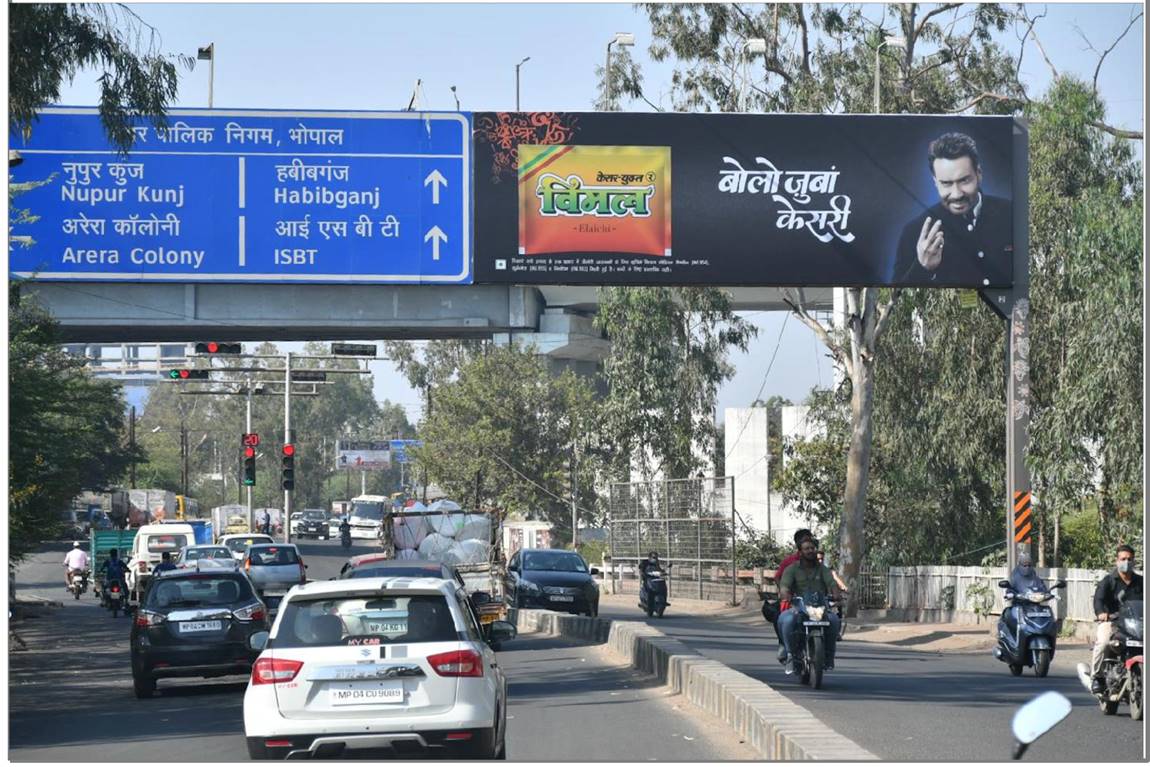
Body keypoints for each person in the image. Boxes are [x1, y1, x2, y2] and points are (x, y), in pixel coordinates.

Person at [893, 132, 1013, 286]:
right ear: (935, 182)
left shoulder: (1012, 214)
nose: (956, 194)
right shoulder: (913, 232)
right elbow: (895, 300)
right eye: (946, 183)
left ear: (979, 174)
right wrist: (922, 268)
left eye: (964, 180)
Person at [777, 538, 843, 674]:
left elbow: (832, 584)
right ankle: (790, 655)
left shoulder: (823, 569)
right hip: (798, 607)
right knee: (787, 620)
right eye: (806, 549)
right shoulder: (792, 569)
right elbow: (784, 585)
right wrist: (786, 594)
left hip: (820, 607)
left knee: (834, 620)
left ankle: (829, 657)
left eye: (812, 548)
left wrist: (836, 593)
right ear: (800, 552)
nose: (810, 551)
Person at [1088, 544, 1144, 694]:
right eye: (1123, 559)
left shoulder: (1142, 582)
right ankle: (1097, 678)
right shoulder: (1108, 581)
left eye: (1130, 559)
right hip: (1113, 623)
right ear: (1116, 561)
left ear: (1134, 561)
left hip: (1137, 624)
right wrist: (1101, 613)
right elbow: (1098, 600)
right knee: (1104, 642)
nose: (1127, 562)